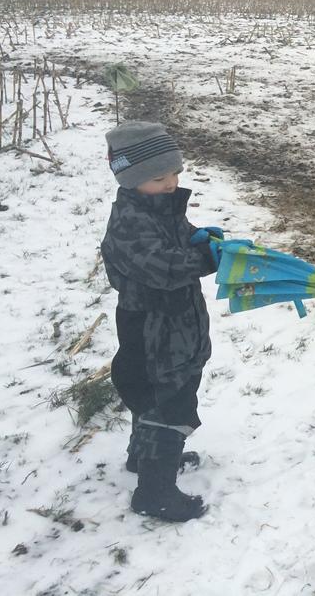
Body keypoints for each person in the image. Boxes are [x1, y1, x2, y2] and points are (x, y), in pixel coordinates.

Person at [101, 121, 220, 522]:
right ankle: (154, 493)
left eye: (175, 173)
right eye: (159, 176)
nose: (171, 183)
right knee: (169, 404)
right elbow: (163, 268)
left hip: (175, 324)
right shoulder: (129, 224)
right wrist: (204, 259)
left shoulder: (157, 207)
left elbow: (179, 239)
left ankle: (144, 458)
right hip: (152, 327)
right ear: (130, 178)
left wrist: (201, 238)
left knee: (159, 397)